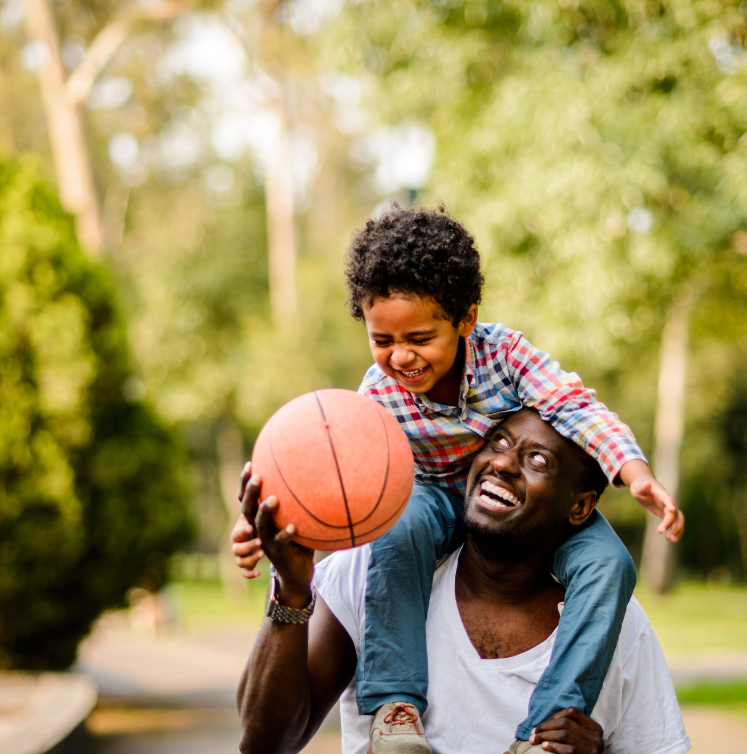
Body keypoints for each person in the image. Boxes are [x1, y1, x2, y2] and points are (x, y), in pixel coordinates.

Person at [232, 205, 686, 754]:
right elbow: (325, 466)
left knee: (613, 563)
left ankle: (547, 727)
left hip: (522, 519)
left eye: (420, 338)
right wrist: (265, 525)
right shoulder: (376, 399)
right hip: (425, 499)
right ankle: (396, 710)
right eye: (382, 340)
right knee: (401, 533)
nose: (400, 356)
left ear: (466, 320)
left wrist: (631, 471)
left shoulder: (507, 357)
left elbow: (571, 404)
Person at [234, 409, 691, 754]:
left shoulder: (614, 623)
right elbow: (264, 743)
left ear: (580, 507)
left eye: (537, 459)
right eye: (496, 442)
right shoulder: (371, 569)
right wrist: (292, 592)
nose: (503, 464)